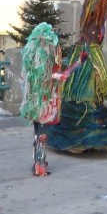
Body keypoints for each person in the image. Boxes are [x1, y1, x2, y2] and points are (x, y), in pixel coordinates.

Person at [48, 0, 107, 153]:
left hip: (74, 89)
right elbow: (105, 79)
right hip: (88, 94)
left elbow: (67, 77)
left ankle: (77, 142)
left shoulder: (79, 45)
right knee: (92, 117)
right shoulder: (94, 48)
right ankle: (84, 143)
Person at [21, 23, 87, 176]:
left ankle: (38, 161)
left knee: (37, 131)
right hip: (47, 98)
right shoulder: (51, 49)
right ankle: (40, 165)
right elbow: (60, 76)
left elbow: (24, 77)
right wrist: (78, 63)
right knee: (43, 132)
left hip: (33, 99)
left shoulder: (29, 52)